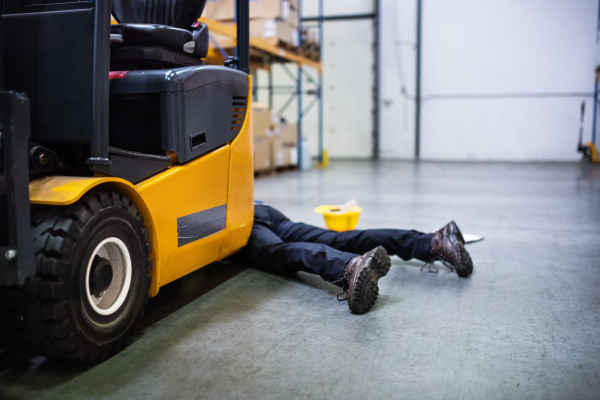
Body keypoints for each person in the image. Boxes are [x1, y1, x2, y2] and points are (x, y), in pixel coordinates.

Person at [232, 203, 473, 314]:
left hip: (232, 219)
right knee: (341, 239)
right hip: (259, 207)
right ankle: (434, 242)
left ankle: (350, 266)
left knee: (281, 253)